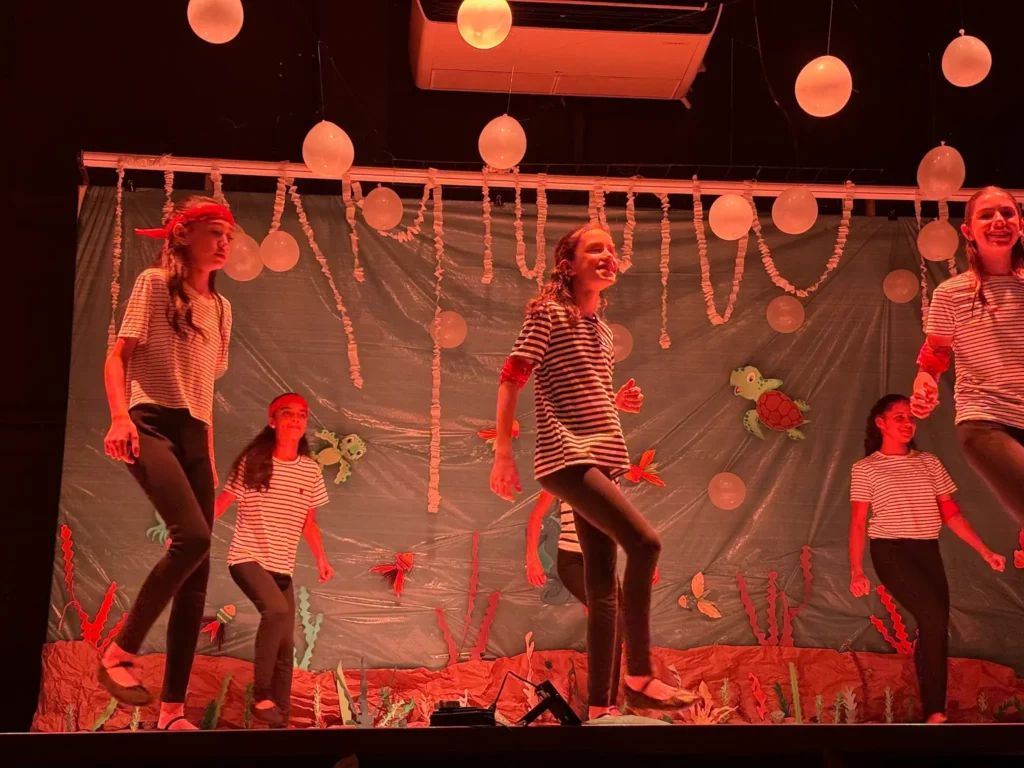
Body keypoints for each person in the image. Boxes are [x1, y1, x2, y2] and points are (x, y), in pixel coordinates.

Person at [490, 222, 694, 722]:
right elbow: (512, 378)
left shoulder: (601, 330)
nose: (608, 255)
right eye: (595, 249)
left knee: (604, 589)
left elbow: (580, 392)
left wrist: (615, 402)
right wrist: (502, 452)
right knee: (645, 544)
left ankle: (602, 708)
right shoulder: (549, 314)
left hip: (600, 456)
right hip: (566, 457)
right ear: (568, 265)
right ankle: (640, 675)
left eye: (612, 249)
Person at [99, 196, 234, 730]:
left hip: (195, 433)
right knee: (192, 539)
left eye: (229, 236)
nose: (225, 243)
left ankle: (172, 712)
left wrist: (210, 455)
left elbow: (203, 389)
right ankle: (119, 651)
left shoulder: (221, 308)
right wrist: (120, 417)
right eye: (215, 232)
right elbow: (118, 356)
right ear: (183, 235)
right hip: (150, 420)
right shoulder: (154, 284)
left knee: (198, 573)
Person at [849, 394, 1005, 724]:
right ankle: (935, 713)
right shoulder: (866, 469)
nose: (908, 424)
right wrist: (856, 570)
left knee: (936, 627)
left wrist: (985, 551)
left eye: (911, 418)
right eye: (899, 418)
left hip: (927, 551)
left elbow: (951, 514)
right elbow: (858, 523)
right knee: (932, 618)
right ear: (881, 423)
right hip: (890, 552)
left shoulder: (929, 463)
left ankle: (933, 710)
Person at [215, 393, 334, 727]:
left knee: (285, 647)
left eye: (301, 415)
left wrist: (322, 559)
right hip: (247, 557)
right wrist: (189, 531)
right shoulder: (253, 461)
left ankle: (278, 722)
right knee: (277, 611)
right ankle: (262, 694)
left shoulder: (310, 471)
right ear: (272, 421)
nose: (295, 419)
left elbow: (310, 524)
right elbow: (223, 502)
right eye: (287, 413)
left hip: (282, 567)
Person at [911, 186, 1024, 527]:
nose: (999, 221)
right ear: (968, 231)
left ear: (1021, 224)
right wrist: (925, 385)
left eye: (1007, 213)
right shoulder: (952, 293)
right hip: (987, 419)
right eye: (986, 215)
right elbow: (935, 354)